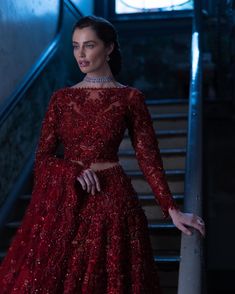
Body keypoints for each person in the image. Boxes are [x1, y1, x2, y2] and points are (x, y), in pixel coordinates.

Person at [0, 15, 205, 293]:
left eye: (89, 45)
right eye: (75, 46)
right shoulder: (61, 99)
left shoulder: (130, 98)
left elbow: (147, 156)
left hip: (112, 201)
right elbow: (43, 158)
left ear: (108, 48)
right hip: (66, 202)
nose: (80, 55)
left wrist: (172, 209)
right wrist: (73, 171)